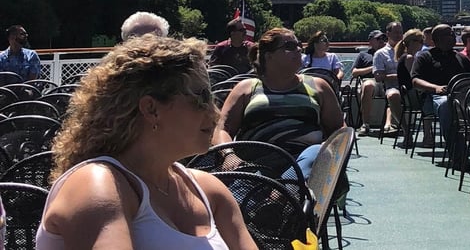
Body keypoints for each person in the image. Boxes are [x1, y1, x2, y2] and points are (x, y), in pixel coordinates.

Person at [36, 35, 257, 250]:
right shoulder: (98, 183)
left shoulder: (210, 191)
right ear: (151, 109)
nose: (215, 113)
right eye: (201, 98)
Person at [216, 28, 345, 178]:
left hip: (304, 164)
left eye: (299, 45)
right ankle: (280, 196)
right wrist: (228, 154)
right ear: (268, 56)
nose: (298, 49)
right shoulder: (246, 88)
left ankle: (282, 194)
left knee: (317, 152)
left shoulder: (319, 86)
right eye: (289, 46)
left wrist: (329, 151)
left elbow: (339, 130)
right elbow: (222, 128)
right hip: (254, 164)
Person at [411, 24, 470, 158]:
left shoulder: (460, 57)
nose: (453, 37)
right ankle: (457, 153)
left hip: (462, 98)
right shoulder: (424, 57)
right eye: (449, 34)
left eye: (453, 34)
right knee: (446, 105)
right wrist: (435, 88)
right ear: (437, 39)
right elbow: (415, 80)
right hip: (433, 98)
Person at [367, 21, 404, 136]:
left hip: (411, 86)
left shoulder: (409, 51)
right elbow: (378, 77)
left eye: (401, 32)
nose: (399, 35)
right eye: (396, 32)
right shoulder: (380, 54)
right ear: (388, 34)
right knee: (393, 95)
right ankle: (405, 128)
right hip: (390, 87)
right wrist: (399, 76)